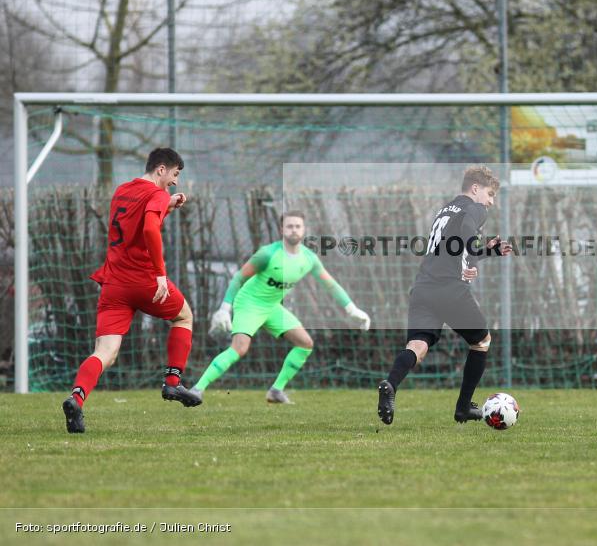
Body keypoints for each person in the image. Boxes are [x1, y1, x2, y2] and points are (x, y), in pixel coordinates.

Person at [62, 148, 200, 434]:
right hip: (145, 281)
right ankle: (172, 383)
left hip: (114, 283)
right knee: (184, 317)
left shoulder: (122, 191)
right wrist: (160, 275)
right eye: (175, 174)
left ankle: (76, 398)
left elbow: (136, 220)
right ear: (161, 169)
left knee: (105, 352)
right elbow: (149, 229)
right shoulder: (156, 194)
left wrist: (167, 205)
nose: (175, 181)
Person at [377, 165, 512, 425]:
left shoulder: (446, 210)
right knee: (482, 341)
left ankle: (390, 384)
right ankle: (463, 407)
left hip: (423, 288)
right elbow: (468, 233)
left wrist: (486, 252)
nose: (491, 202)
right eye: (490, 194)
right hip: (448, 289)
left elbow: (454, 250)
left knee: (417, 346)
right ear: (475, 188)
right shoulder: (475, 209)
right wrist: (475, 251)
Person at [190, 211, 370, 403]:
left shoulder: (308, 258)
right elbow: (239, 277)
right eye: (289, 226)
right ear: (281, 229)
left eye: (298, 226)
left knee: (305, 343)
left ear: (304, 230)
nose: (294, 230)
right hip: (249, 303)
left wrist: (352, 309)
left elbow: (330, 285)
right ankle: (196, 390)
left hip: (272, 307)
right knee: (240, 348)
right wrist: (224, 309)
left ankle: (276, 391)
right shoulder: (267, 254)